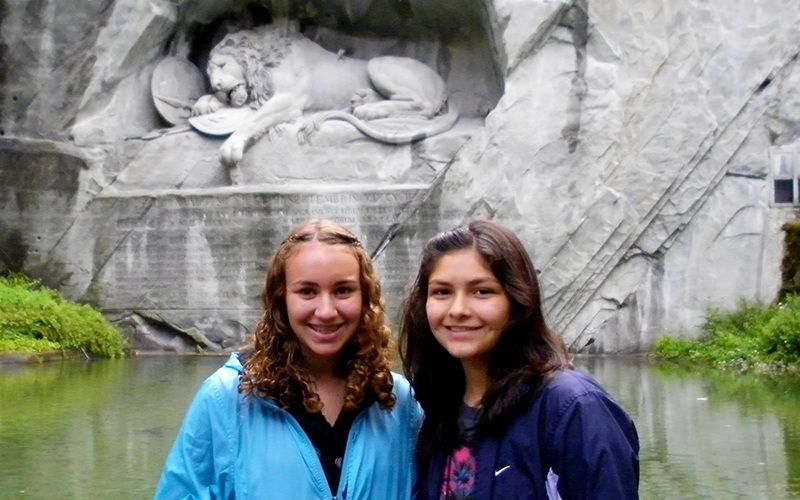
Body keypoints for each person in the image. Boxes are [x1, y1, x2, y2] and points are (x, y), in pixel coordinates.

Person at [155, 219, 422, 499]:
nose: (326, 311)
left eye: (343, 290)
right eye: (307, 291)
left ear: (366, 296)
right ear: (281, 298)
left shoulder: (400, 402)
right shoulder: (226, 399)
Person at [399, 220, 640, 499]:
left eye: (482, 291)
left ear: (517, 300)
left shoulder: (573, 407)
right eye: (442, 292)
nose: (458, 309)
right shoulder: (438, 408)